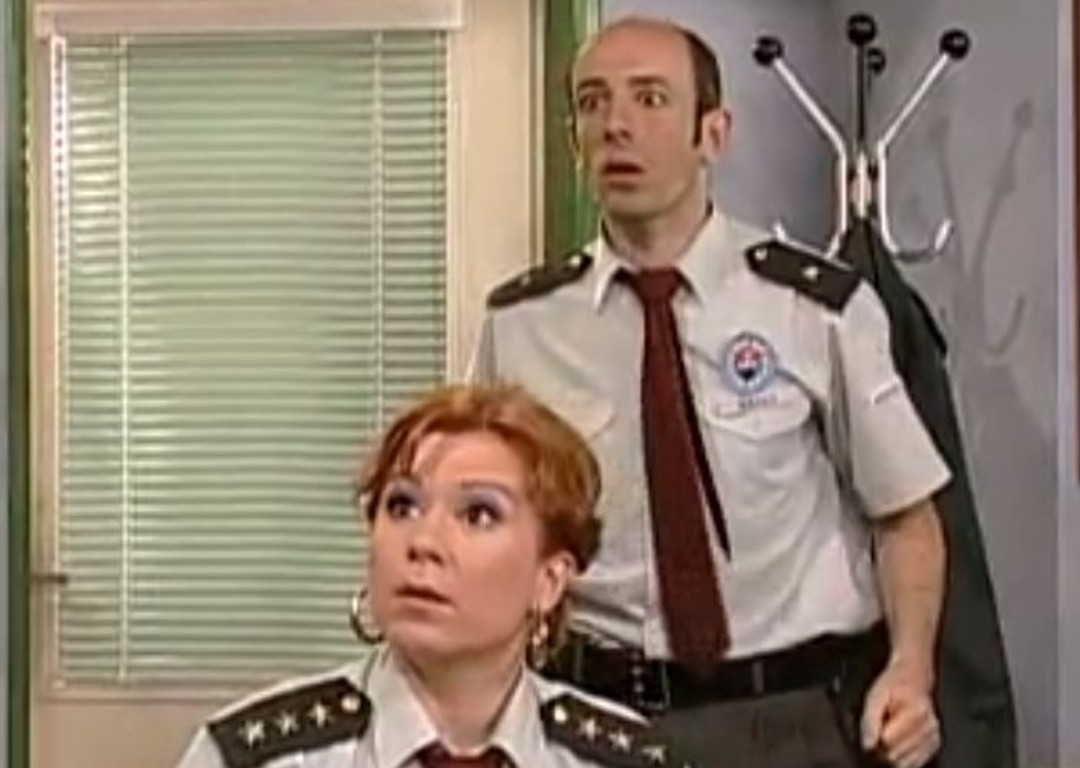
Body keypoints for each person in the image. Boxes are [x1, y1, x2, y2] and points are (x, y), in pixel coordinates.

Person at [469, 15, 949, 768]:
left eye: (650, 98)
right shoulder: (521, 324)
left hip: (786, 721)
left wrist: (911, 671)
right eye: (593, 103)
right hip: (591, 719)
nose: (616, 125)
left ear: (713, 134)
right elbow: (482, 524)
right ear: (573, 141)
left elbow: (906, 516)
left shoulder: (814, 307)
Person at [174, 384, 687, 768]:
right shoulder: (255, 757)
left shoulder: (630, 761)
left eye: (478, 514)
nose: (423, 542)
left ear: (549, 580)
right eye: (402, 506)